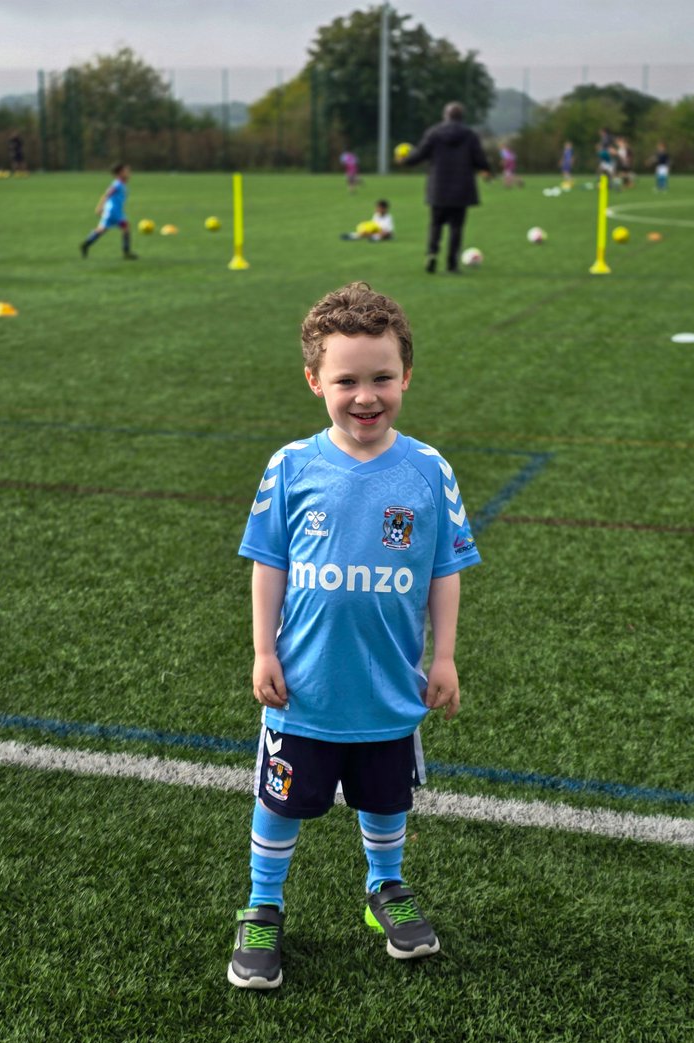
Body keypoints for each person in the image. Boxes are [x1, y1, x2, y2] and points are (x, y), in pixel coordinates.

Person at [229, 280, 481, 989]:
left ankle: (385, 887)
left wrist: (444, 657)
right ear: (315, 381)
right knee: (280, 803)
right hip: (305, 687)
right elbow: (269, 563)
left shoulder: (429, 470)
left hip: (389, 686)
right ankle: (263, 905)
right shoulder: (291, 465)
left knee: (386, 798)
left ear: (407, 376)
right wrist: (264, 650)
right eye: (346, 381)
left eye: (381, 378)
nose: (365, 397)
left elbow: (445, 569)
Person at [400, 101, 491, 274]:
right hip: (462, 188)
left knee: (436, 224)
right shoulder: (469, 134)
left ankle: (432, 254)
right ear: (462, 117)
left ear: (445, 116)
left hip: (438, 187)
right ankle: (452, 264)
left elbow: (420, 154)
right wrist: (486, 169)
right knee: (456, 227)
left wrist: (405, 161)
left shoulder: (434, 133)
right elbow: (479, 157)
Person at [80, 163, 137, 260]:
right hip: (113, 212)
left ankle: (86, 244)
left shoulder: (121, 184)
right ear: (120, 173)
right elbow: (107, 195)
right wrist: (99, 207)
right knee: (125, 227)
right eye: (126, 171)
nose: (129, 173)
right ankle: (126, 252)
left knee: (102, 229)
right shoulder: (117, 184)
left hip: (114, 211)